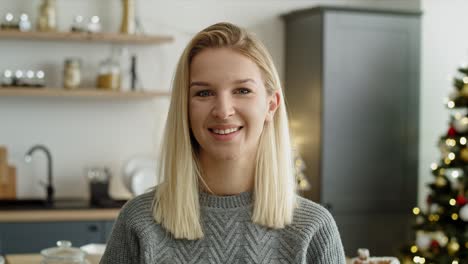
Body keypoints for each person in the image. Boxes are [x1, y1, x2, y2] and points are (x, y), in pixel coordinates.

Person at [100, 22, 346, 264]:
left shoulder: (314, 229)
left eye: (242, 90)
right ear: (184, 109)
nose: (223, 111)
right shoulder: (138, 222)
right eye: (204, 93)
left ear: (271, 105)